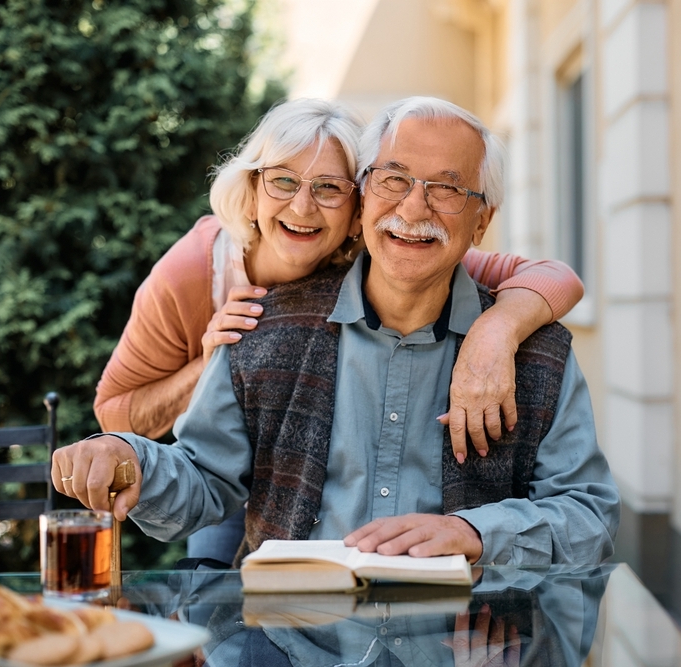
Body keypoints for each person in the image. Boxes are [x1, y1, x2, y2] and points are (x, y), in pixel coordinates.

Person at [59, 96, 618, 567]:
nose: (413, 207)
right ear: (367, 195)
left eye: (446, 190)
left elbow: (589, 516)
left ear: (482, 220)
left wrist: (479, 534)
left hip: (470, 639)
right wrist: (128, 454)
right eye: (394, 179)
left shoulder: (537, 353)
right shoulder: (258, 326)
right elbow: (203, 477)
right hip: (290, 643)